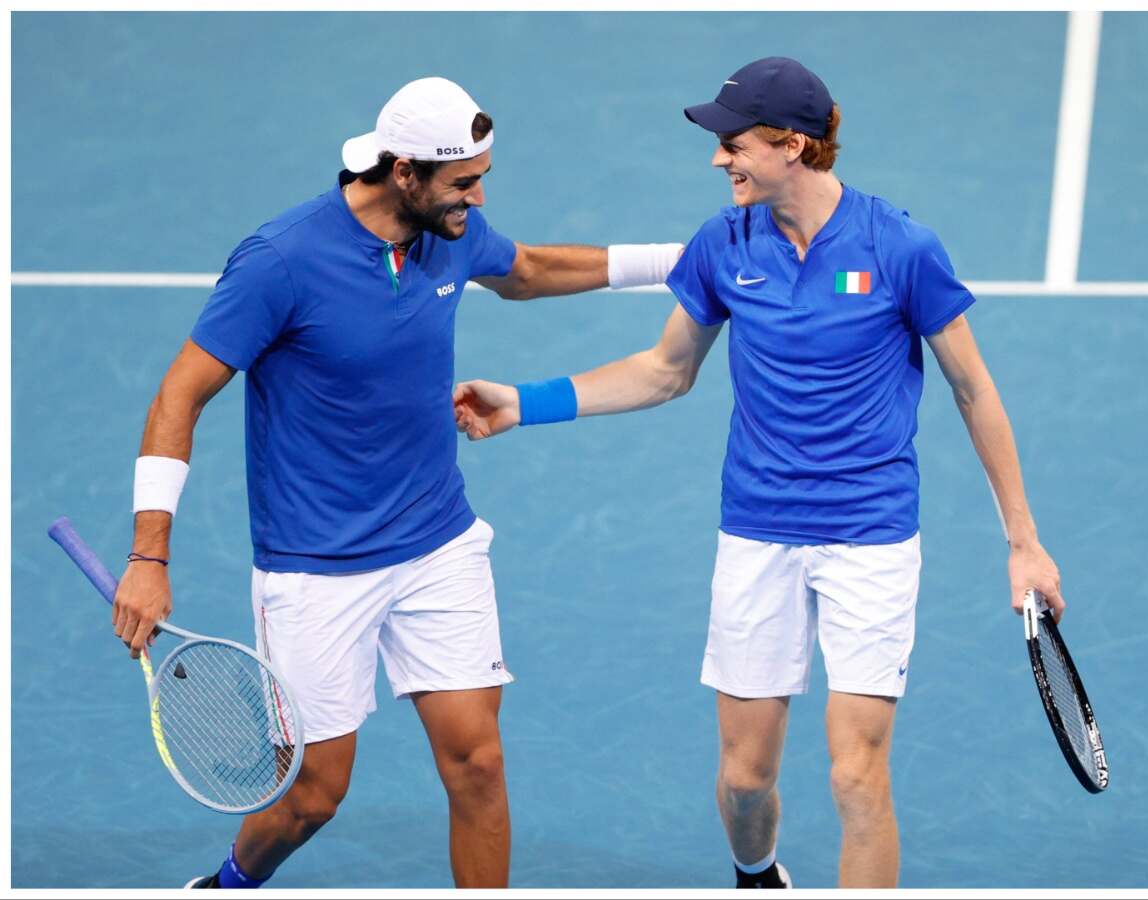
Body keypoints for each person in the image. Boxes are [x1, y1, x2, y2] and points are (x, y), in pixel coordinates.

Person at [452, 57, 1066, 889]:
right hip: (758, 533)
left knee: (856, 776)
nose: (718, 160)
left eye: (733, 143)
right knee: (745, 783)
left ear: (794, 146)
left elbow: (973, 388)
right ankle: (757, 873)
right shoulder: (723, 243)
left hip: (870, 538)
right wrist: (527, 403)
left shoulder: (900, 246)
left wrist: (1022, 541)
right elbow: (667, 370)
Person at [111, 76, 683, 890]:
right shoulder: (281, 261)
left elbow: (525, 268)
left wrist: (678, 262)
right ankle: (228, 884)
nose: (478, 197)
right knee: (312, 794)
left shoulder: (450, 230)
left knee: (479, 764)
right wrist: (149, 554)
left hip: (436, 542)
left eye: (481, 176)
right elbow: (180, 394)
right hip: (315, 568)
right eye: (463, 181)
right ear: (403, 172)